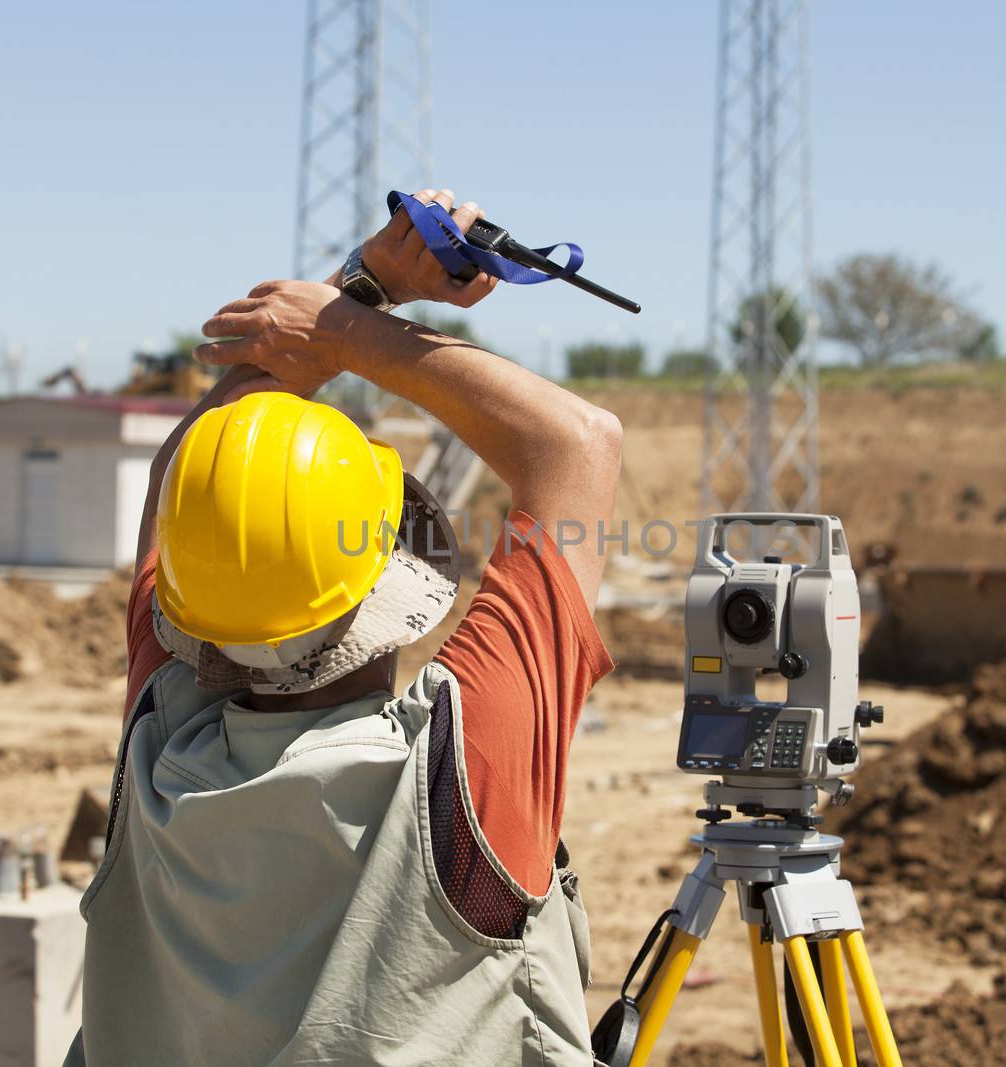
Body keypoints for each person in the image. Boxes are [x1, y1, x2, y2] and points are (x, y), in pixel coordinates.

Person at [67, 189, 623, 1066]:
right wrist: (349, 322)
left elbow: (189, 476)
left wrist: (359, 294)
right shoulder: (458, 769)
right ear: (393, 581)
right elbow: (579, 446)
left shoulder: (160, 738)